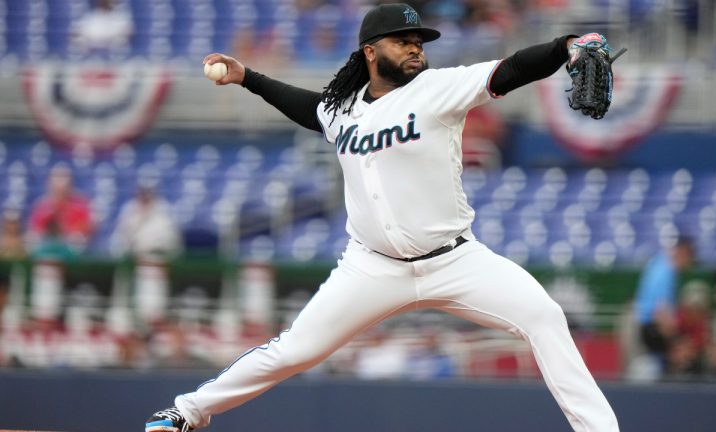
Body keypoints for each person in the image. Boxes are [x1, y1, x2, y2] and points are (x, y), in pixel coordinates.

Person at [145, 4, 618, 431]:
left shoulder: (438, 89)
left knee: (545, 317)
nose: (415, 48)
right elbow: (307, 108)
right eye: (403, 41)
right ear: (371, 52)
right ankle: (186, 411)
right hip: (371, 267)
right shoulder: (341, 110)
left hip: (454, 261)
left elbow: (511, 68)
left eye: (418, 41)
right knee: (296, 350)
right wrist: (246, 75)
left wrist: (564, 47)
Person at [633, 237, 695, 370]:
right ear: (683, 253)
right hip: (651, 329)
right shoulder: (666, 272)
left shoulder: (659, 262)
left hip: (647, 326)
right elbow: (661, 312)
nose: (688, 265)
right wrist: (674, 342)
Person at [28, 164, 93, 254]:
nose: (60, 194)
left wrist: (66, 229)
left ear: (69, 187)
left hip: (69, 245)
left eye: (63, 190)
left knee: (76, 240)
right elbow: (36, 229)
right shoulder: (42, 205)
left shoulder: (80, 204)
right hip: (47, 244)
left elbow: (86, 227)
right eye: (57, 190)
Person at [110, 183, 182, 259]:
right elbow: (119, 238)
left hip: (157, 259)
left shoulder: (164, 210)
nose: (145, 195)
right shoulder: (129, 209)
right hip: (132, 258)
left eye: (148, 192)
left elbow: (172, 243)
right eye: (142, 192)